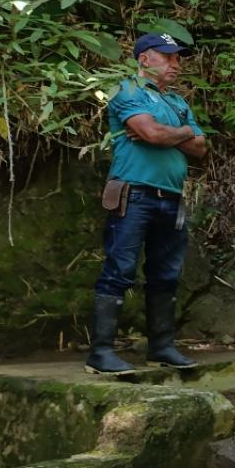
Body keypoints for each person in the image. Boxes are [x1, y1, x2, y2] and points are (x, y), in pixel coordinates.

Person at [87, 32, 208, 375]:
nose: (176, 63)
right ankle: (101, 353)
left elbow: (200, 148)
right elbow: (154, 135)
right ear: (144, 59)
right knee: (119, 269)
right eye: (168, 56)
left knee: (166, 273)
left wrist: (176, 133)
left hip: (171, 197)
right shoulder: (128, 91)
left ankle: (162, 348)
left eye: (178, 58)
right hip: (133, 193)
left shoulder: (178, 104)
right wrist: (181, 133)